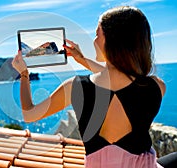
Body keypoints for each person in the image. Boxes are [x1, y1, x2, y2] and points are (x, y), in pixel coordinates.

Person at [12, 6, 167, 168]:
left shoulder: (75, 87)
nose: (94, 41)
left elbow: (29, 114)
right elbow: (122, 83)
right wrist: (83, 60)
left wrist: (24, 75)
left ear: (112, 40)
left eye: (97, 34)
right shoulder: (157, 86)